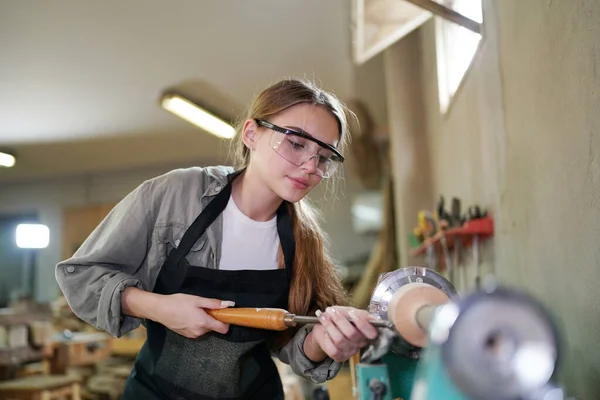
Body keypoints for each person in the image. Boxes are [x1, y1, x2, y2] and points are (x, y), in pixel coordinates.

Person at [55, 78, 380, 399]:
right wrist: (159, 307)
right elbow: (82, 277)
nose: (310, 166)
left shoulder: (304, 238)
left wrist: (326, 340)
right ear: (251, 133)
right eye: (296, 143)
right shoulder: (177, 194)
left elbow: (294, 344)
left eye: (324, 157)